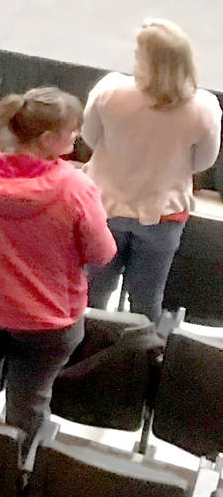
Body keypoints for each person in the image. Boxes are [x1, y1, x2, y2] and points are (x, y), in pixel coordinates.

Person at [0, 88, 116, 439]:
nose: (77, 136)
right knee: (28, 404)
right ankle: (18, 478)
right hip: (46, 321)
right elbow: (102, 254)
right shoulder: (75, 189)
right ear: (49, 139)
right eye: (72, 130)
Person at [82, 22, 221, 328]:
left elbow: (91, 138)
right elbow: (203, 162)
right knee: (146, 302)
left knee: (90, 294)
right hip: (163, 217)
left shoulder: (109, 91)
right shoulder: (205, 107)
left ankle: (84, 360)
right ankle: (139, 362)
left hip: (104, 208)